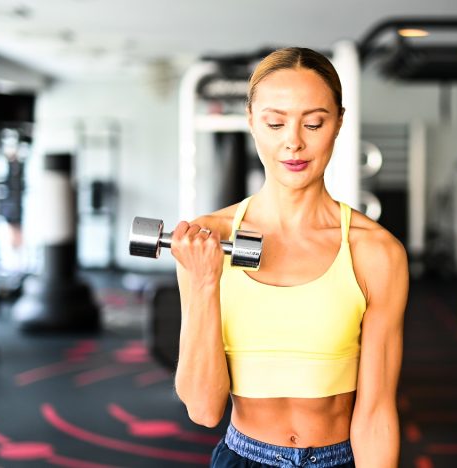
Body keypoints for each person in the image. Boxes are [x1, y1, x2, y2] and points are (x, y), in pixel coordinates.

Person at [171, 47, 409, 468]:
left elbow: (375, 417)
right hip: (241, 456)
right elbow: (203, 409)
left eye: (314, 123)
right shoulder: (209, 240)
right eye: (275, 123)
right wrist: (206, 282)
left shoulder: (376, 252)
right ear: (251, 122)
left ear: (338, 124)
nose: (293, 142)